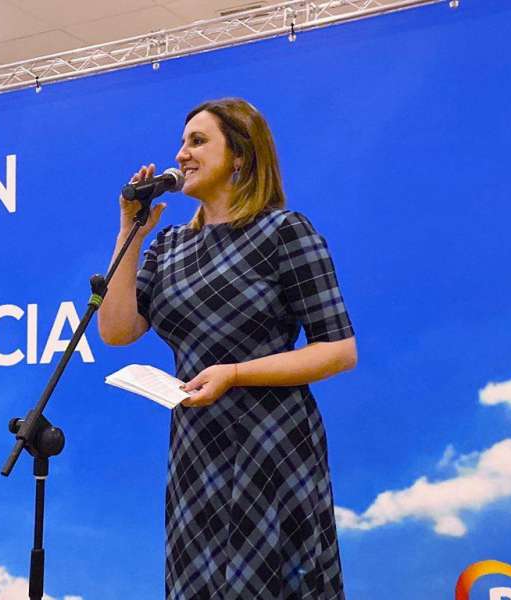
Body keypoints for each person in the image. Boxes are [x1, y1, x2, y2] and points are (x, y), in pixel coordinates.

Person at [98, 97, 357, 600]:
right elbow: (117, 330)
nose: (181, 154)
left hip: (272, 443)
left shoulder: (284, 232)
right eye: (182, 142)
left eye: (197, 141)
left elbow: (339, 350)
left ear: (239, 155)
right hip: (197, 448)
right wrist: (130, 232)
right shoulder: (168, 245)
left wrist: (235, 373)